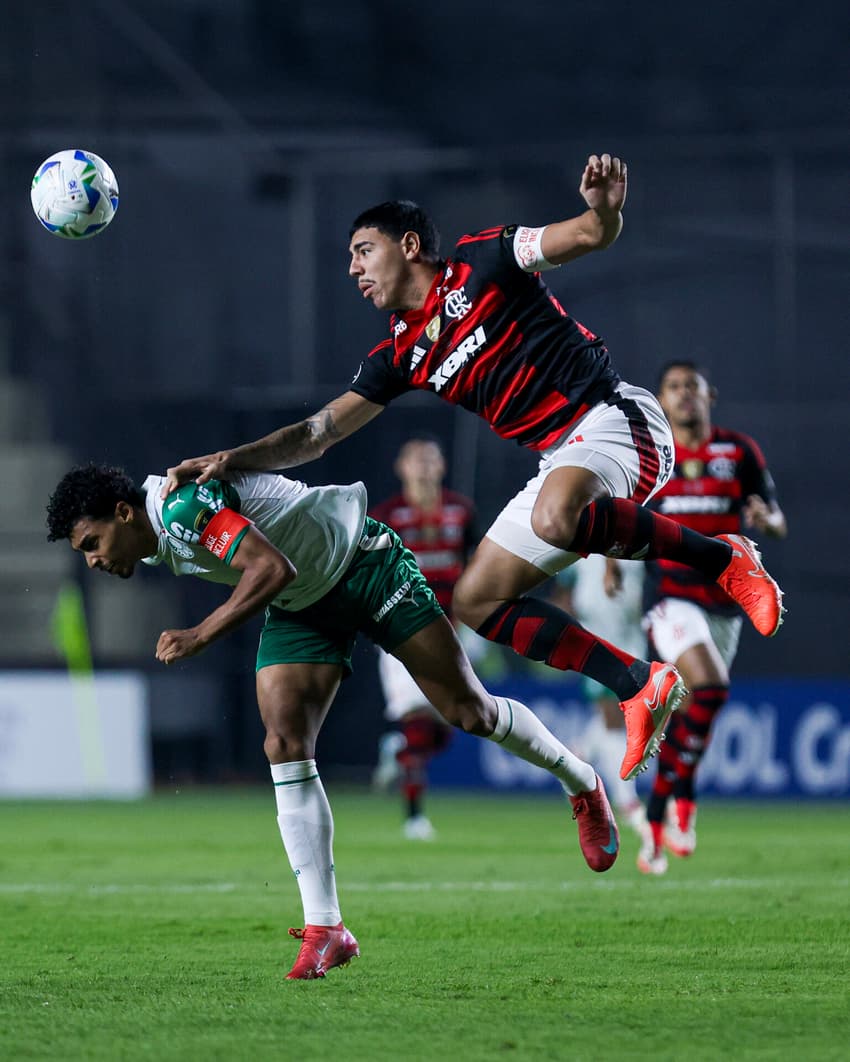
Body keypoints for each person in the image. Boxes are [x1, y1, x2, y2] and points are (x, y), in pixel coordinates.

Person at [162, 152, 785, 787]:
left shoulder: (484, 257)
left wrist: (604, 210)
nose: (353, 267)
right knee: (477, 599)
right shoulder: (399, 354)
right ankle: (637, 684)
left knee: (556, 513)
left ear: (409, 245)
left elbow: (589, 235)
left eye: (363, 250)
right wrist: (229, 459)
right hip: (562, 458)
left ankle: (725, 559)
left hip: (615, 419)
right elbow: (316, 434)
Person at [47, 464, 622, 982]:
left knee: (469, 711)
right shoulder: (152, 533)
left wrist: (200, 634)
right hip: (302, 603)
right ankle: (327, 930)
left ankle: (581, 780)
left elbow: (271, 566)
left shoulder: (179, 509)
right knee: (284, 743)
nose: (94, 560)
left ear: (123, 513)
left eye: (92, 544)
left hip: (364, 565)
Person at [635, 361, 788, 875]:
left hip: (728, 605)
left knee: (689, 715)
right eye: (674, 388)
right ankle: (664, 809)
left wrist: (769, 521)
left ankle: (668, 811)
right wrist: (612, 564)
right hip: (670, 599)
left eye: (692, 388)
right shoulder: (653, 455)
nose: (683, 397)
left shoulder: (737, 451)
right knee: (712, 688)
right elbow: (623, 511)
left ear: (709, 396)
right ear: (661, 398)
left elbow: (776, 516)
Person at [369, 435, 478, 841]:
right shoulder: (386, 516)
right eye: (416, 460)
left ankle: (396, 750)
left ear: (442, 467)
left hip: (451, 630)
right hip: (401, 631)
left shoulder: (461, 511)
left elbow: (474, 565)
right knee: (417, 722)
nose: (424, 467)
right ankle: (414, 817)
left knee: (444, 730)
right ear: (401, 467)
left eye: (431, 459)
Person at [552, 555, 651, 843]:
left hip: (630, 625)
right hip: (598, 625)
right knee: (613, 718)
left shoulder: (637, 530)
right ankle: (628, 801)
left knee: (623, 714)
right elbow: (565, 584)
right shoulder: (589, 531)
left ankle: (577, 755)